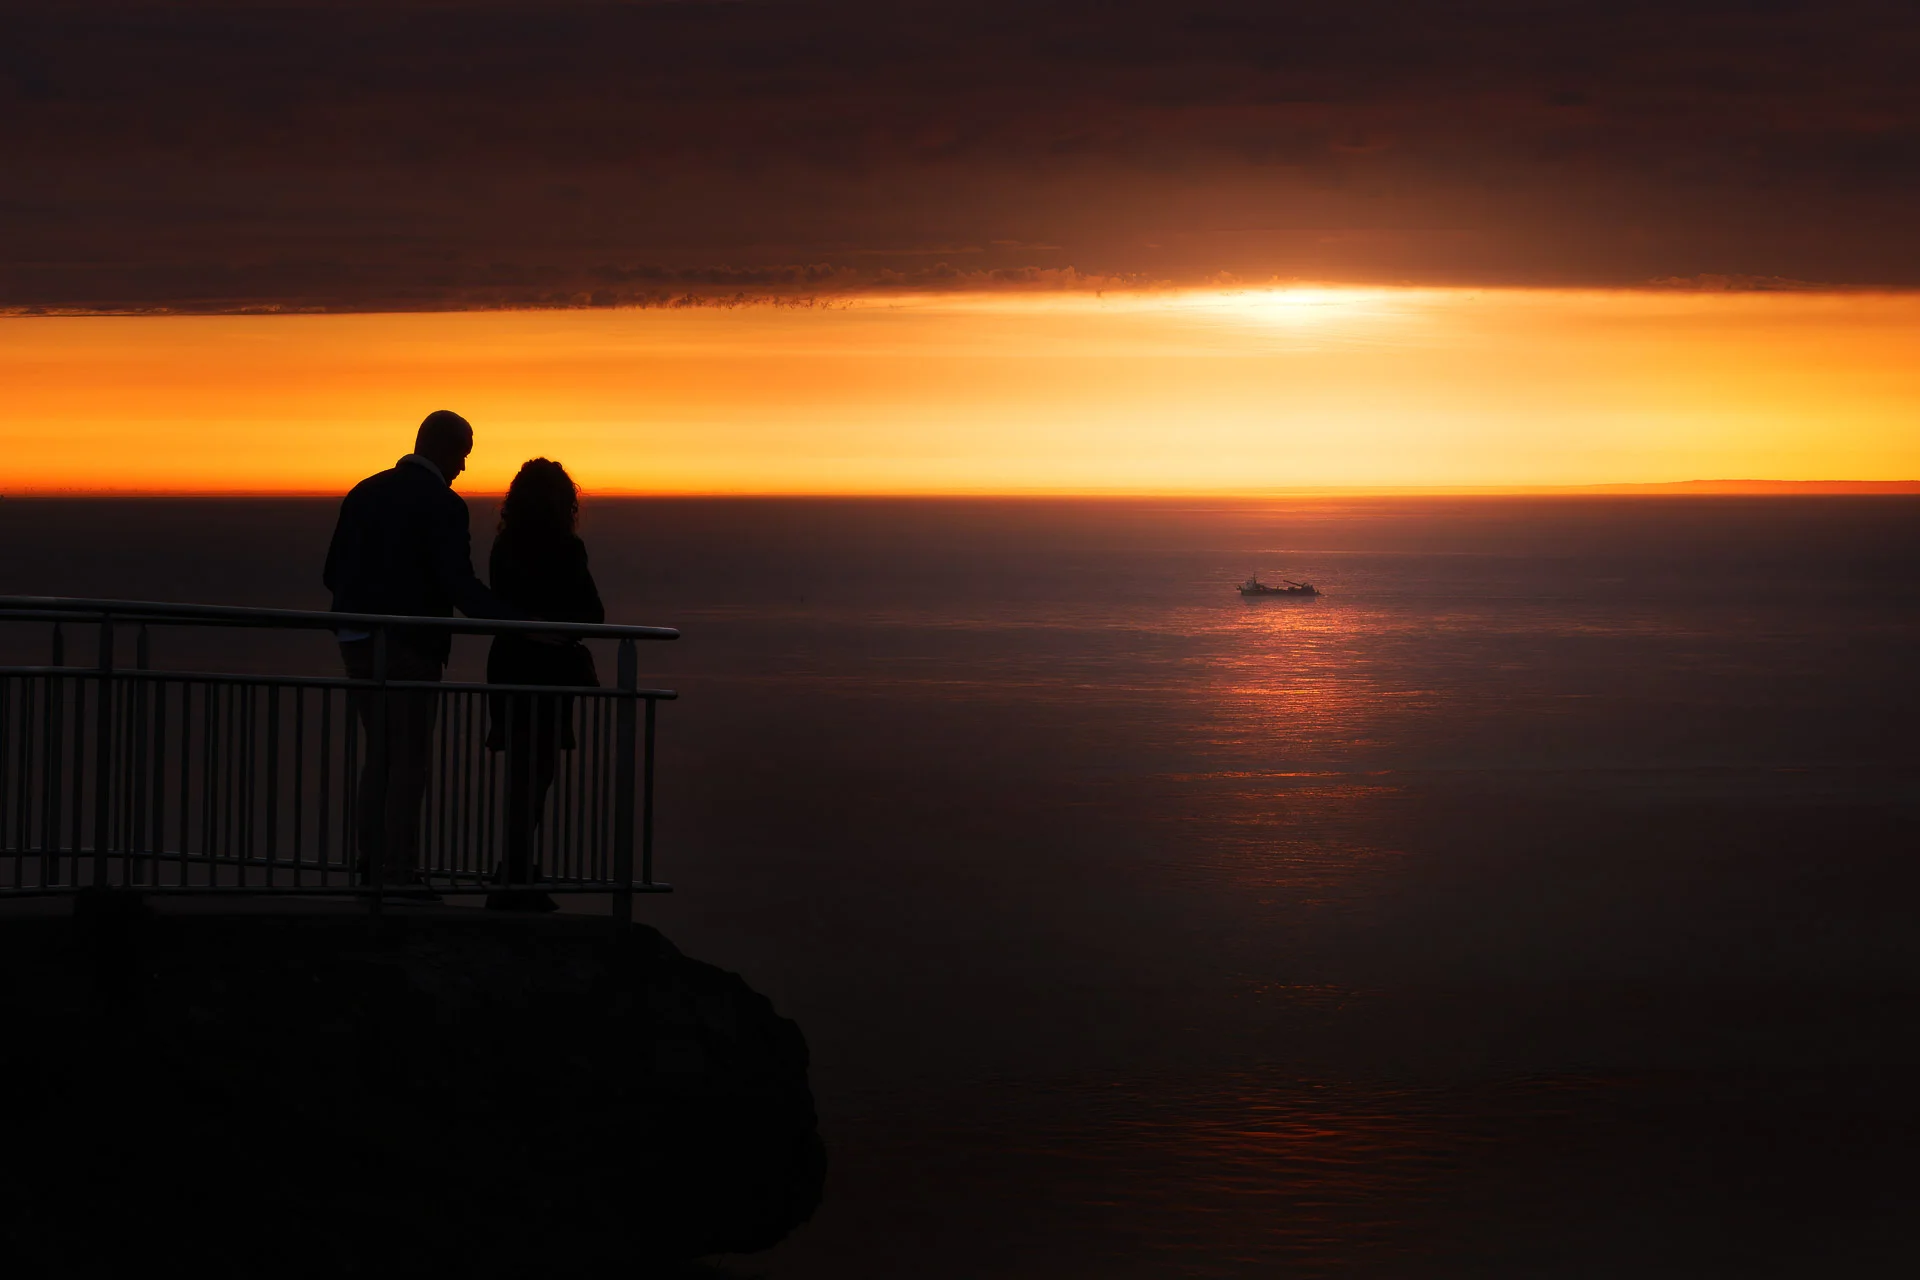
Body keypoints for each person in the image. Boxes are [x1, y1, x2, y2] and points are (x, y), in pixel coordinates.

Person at [322, 409, 519, 896]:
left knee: (381, 754)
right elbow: (458, 584)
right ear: (446, 449)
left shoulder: (364, 492)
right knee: (410, 758)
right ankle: (400, 872)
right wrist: (515, 620)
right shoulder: (444, 505)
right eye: (464, 454)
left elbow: (333, 572)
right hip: (412, 646)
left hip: (357, 641)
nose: (464, 467)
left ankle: (370, 863)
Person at [484, 458, 604, 912]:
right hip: (548, 672)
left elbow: (501, 604)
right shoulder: (567, 549)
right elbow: (593, 615)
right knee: (539, 775)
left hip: (509, 666)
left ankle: (514, 871)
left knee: (520, 773)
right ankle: (516, 876)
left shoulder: (504, 547)